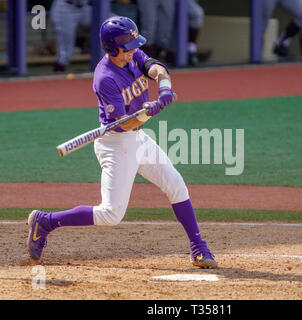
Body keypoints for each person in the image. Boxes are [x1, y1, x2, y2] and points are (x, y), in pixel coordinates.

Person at [26, 16, 218, 269]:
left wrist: (164, 89)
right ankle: (46, 221)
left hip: (138, 138)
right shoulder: (105, 78)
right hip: (116, 145)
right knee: (111, 214)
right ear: (112, 48)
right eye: (128, 48)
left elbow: (158, 68)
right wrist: (151, 111)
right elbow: (123, 123)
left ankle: (198, 249)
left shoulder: (133, 54)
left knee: (176, 185)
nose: (134, 51)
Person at [50, 0, 93, 72]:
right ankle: (59, 72)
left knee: (111, 20)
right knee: (66, 48)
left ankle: (109, 65)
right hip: (65, 7)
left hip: (84, 8)